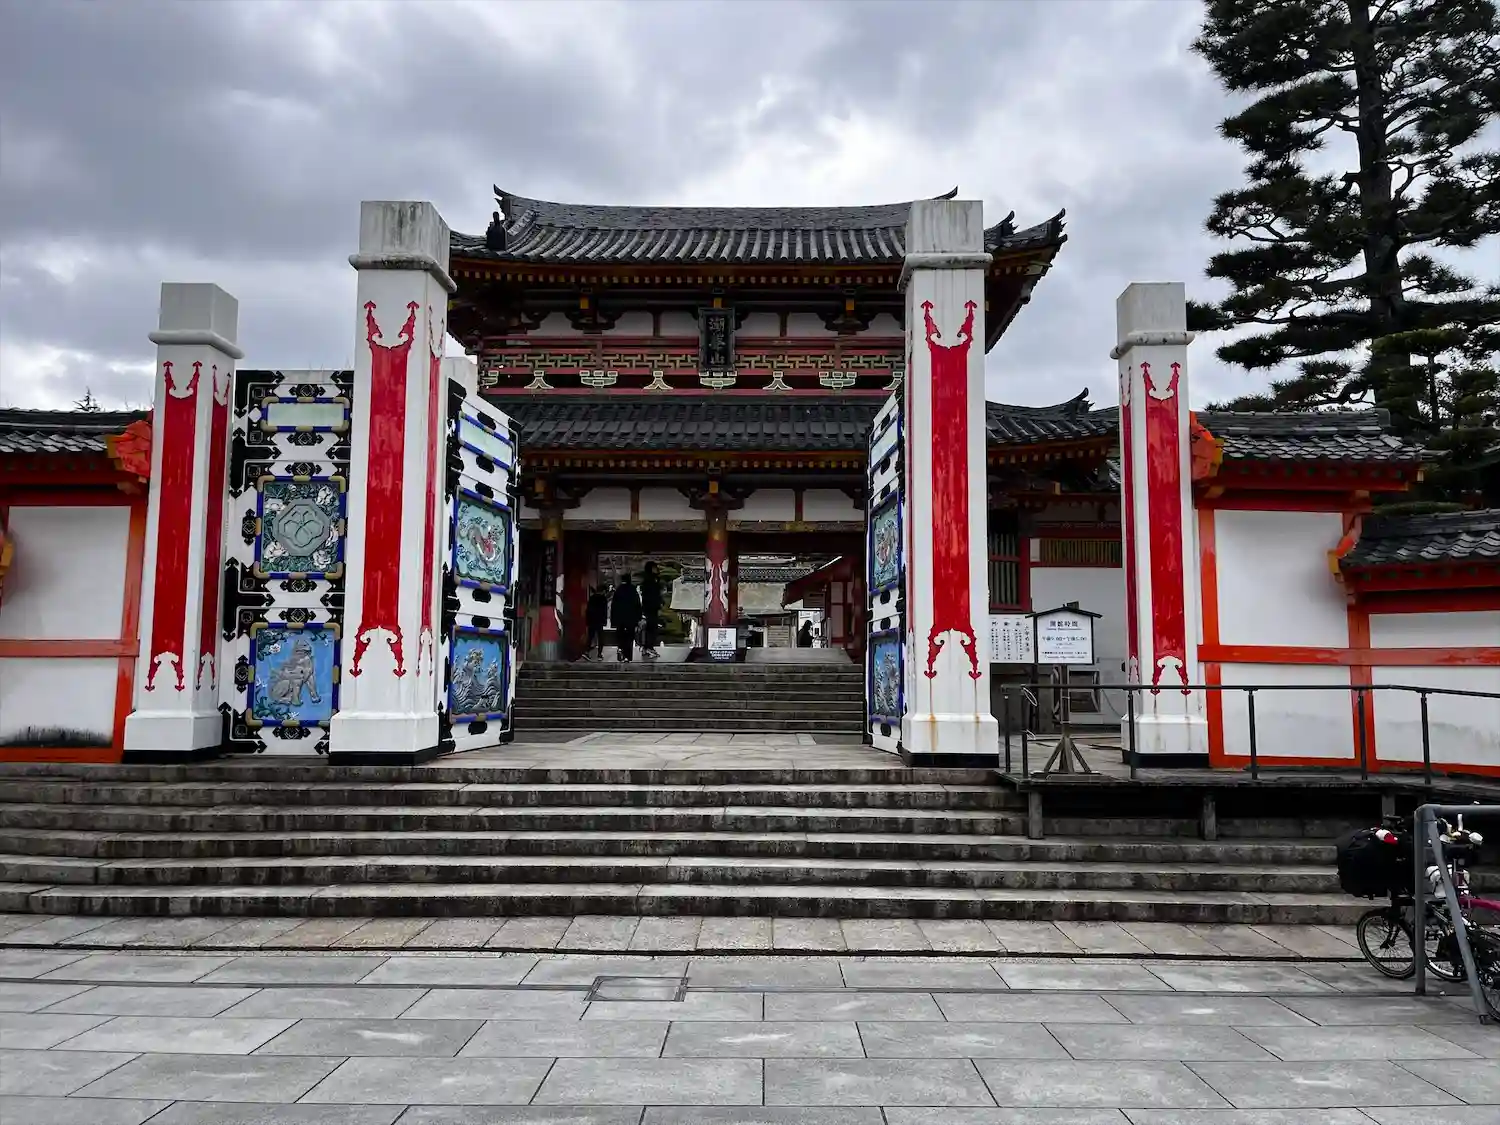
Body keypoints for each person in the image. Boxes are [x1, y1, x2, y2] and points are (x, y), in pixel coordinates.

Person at [610, 574, 642, 662]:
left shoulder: (618, 590)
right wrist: (638, 618)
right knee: (629, 638)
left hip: (620, 619)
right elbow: (637, 605)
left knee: (621, 636)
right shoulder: (633, 590)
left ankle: (620, 649)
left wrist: (613, 620)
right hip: (631, 619)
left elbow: (614, 606)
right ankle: (628, 656)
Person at [640, 561, 662, 659]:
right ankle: (649, 647)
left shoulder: (650, 580)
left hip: (649, 608)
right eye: (654, 567)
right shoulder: (650, 581)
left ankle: (646, 648)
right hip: (651, 608)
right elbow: (653, 595)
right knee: (652, 628)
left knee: (650, 628)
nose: (656, 569)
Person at [583, 583, 609, 660]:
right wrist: (604, 621)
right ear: (603, 591)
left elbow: (588, 610)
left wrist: (587, 620)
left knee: (590, 637)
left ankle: (586, 652)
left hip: (591, 620)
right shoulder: (603, 599)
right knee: (601, 638)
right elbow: (604, 611)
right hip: (599, 621)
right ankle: (599, 655)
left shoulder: (592, 598)